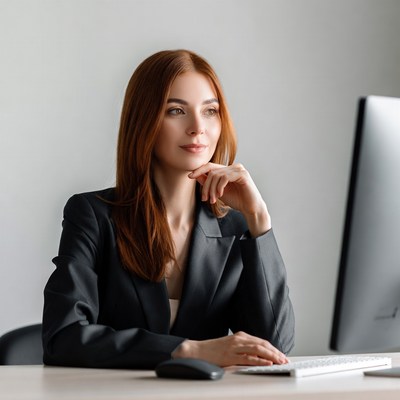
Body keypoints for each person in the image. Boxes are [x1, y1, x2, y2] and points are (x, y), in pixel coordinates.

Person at [42, 49, 295, 369]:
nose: (197, 128)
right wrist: (189, 350)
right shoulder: (93, 215)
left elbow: (275, 347)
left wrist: (259, 220)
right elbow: (63, 338)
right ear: (144, 120)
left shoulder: (234, 228)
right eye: (176, 110)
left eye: (210, 111)